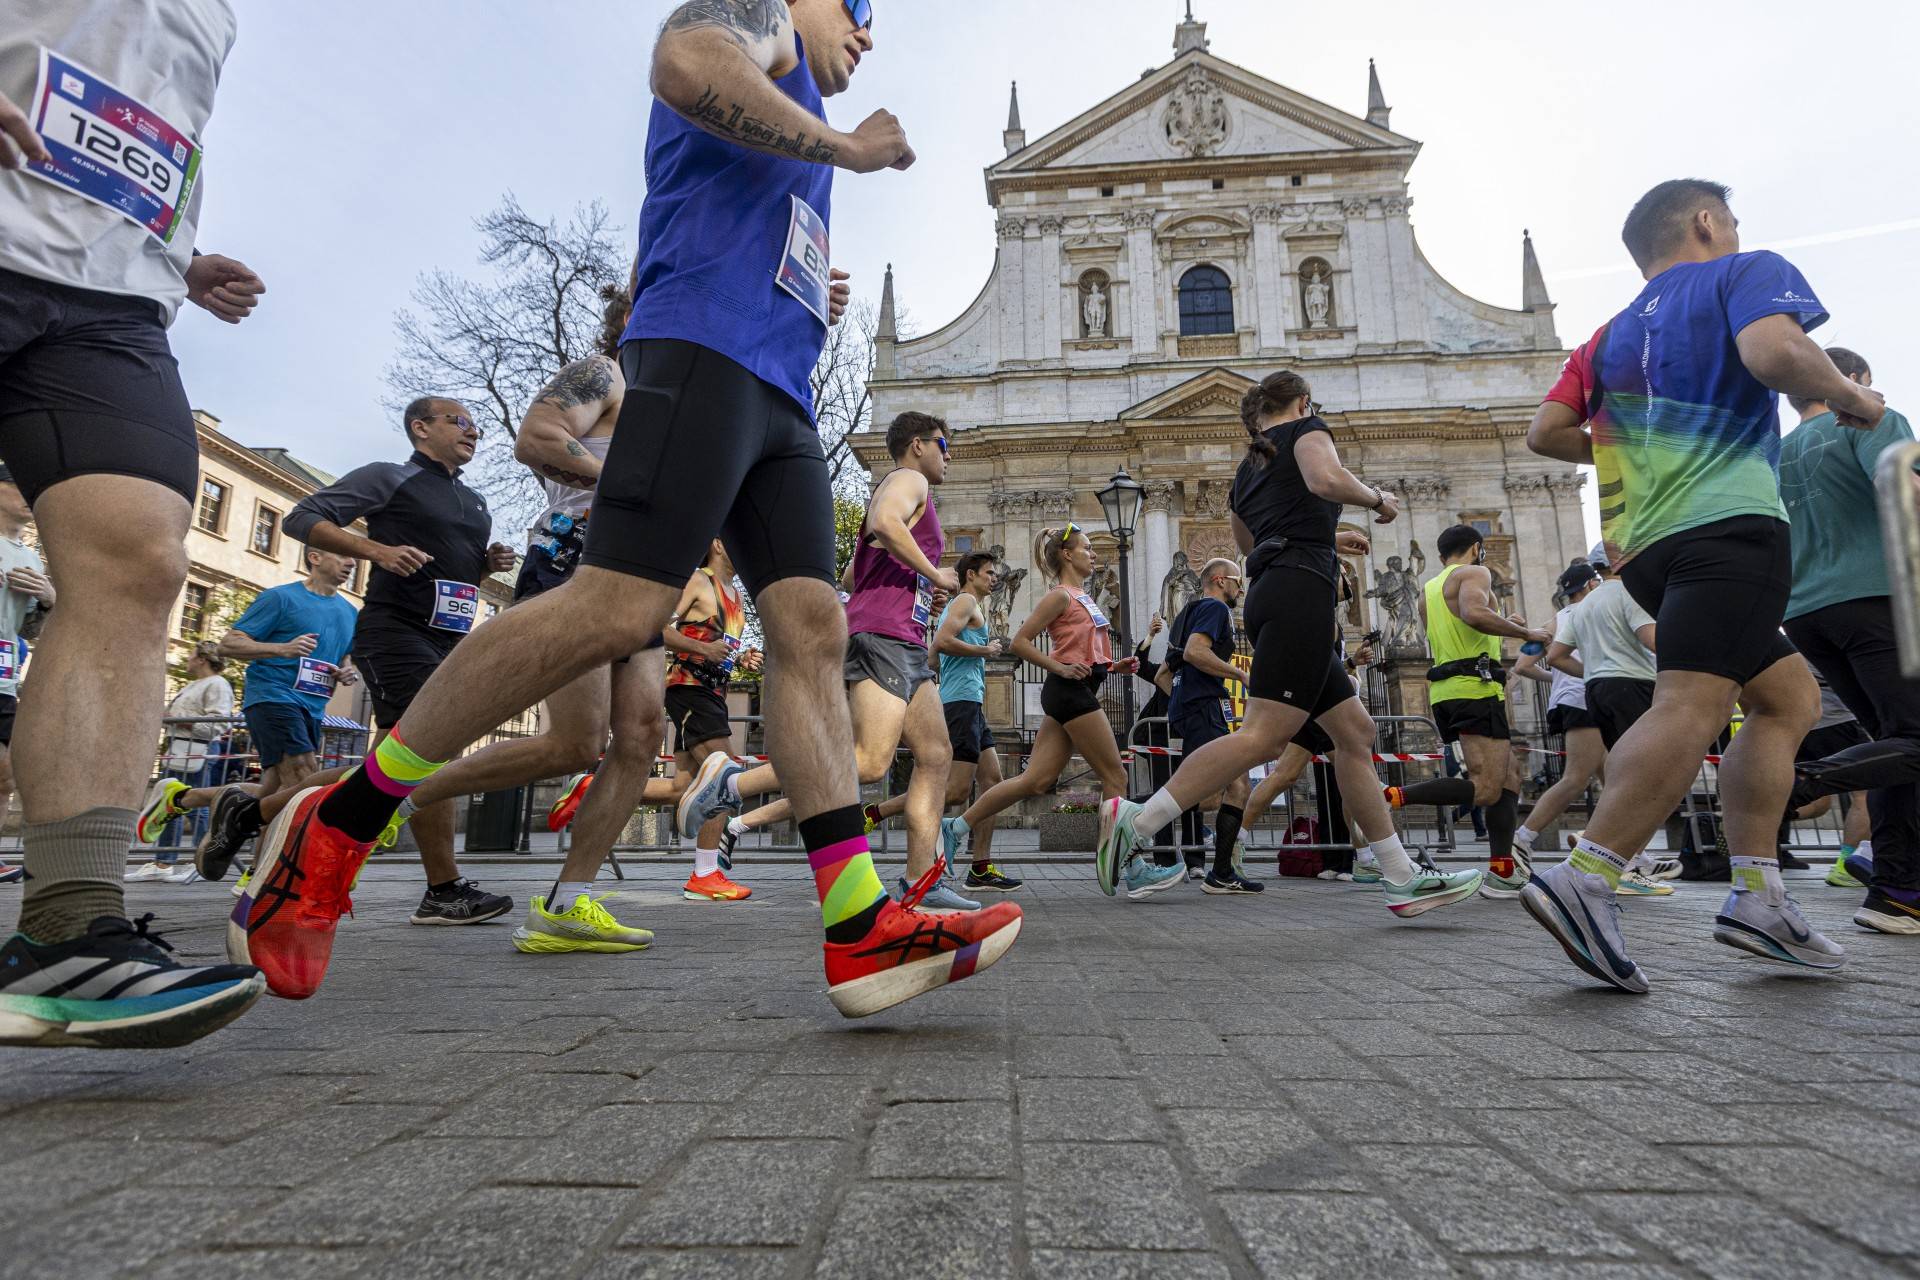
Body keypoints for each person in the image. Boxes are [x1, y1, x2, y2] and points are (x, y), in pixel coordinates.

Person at [225, 0, 1023, 1015]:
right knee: (616, 608)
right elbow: (686, 63)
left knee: (810, 628)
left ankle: (860, 922)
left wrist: (803, 286)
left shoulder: (799, 86)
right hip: (700, 356)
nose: (868, 32)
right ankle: (340, 821)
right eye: (858, 8)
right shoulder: (764, 18)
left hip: (775, 386)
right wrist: (844, 149)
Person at [1524, 178, 1888, 990]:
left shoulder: (1607, 335)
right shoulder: (1743, 270)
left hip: (1647, 550)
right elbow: (1773, 353)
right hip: (1729, 526)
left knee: (1786, 699)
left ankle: (1758, 897)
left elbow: (1545, 433)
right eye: (1730, 219)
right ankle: (1586, 877)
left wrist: (1634, 452)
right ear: (1704, 221)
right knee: (1689, 703)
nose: (1736, 229)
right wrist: (1850, 394)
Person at [0, 0, 274, 1047]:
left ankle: (67, 931)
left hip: (111, 293)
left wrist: (175, 249)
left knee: (141, 561)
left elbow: (122, 101)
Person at [1098, 371, 1485, 917]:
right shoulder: (1307, 429)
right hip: (1301, 592)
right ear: (1302, 401)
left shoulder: (1246, 469)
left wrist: (1325, 536)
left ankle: (1399, 876)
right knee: (1262, 737)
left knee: (1355, 732)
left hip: (1275, 588)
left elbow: (1250, 542)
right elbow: (1326, 480)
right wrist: (1376, 499)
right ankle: (1136, 824)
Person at [269, 400, 518, 935]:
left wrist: (482, 566)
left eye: (476, 425)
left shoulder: (474, 502)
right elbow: (300, 518)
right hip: (395, 632)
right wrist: (375, 550)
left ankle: (252, 813)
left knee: (390, 764)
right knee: (426, 753)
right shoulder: (390, 476)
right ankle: (443, 889)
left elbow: (451, 579)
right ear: (421, 427)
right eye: (459, 421)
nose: (473, 431)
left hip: (449, 640)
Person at [1776, 346, 1919, 933]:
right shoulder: (1871, 416)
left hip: (1808, 612)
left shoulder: (1776, 453)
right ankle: (1799, 781)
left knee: (1898, 745)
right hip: (1878, 596)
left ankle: (1899, 893)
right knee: (1913, 737)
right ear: (1852, 381)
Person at [940, 525, 1150, 892]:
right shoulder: (1059, 596)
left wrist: (1113, 666)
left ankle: (956, 828)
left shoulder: (1085, 597)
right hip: (1069, 691)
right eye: (1086, 548)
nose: (1093, 553)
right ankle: (1130, 866)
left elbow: (1080, 649)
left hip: (1077, 687)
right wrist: (1060, 668)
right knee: (1116, 776)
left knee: (1034, 780)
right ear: (1067, 555)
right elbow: (1019, 642)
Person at [139, 548, 360, 869]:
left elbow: (343, 656)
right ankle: (281, 869)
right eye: (342, 556)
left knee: (275, 789)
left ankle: (183, 799)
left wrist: (347, 670)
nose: (351, 562)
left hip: (312, 706)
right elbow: (229, 643)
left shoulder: (349, 612)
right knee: (306, 777)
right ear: (314, 557)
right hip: (272, 696)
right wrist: (281, 648)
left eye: (352, 559)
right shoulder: (281, 599)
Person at [860, 550, 1022, 893]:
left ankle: (980, 866)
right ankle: (876, 812)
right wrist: (984, 652)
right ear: (971, 576)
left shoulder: (968, 606)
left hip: (968, 702)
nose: (994, 578)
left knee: (992, 781)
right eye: (989, 573)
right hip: (961, 703)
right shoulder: (964, 602)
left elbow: (932, 657)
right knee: (954, 790)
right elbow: (941, 642)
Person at [1413, 524, 1552, 899]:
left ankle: (1502, 870)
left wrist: (1505, 623)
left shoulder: (1428, 591)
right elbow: (1474, 614)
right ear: (1477, 548)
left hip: (1449, 690)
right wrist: (1527, 634)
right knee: (1488, 787)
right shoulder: (1476, 572)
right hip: (1474, 687)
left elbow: (1460, 631)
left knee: (1510, 777)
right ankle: (1386, 796)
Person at [1541, 558, 1678, 890]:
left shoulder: (1584, 606)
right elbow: (1655, 641)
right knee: (1649, 775)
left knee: (1623, 772)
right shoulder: (1631, 594)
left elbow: (1555, 655)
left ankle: (1613, 854)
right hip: (1633, 687)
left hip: (1597, 690)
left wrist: (1591, 673)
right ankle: (1612, 853)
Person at [1511, 563, 1634, 887]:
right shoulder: (1595, 609)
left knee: (1614, 781)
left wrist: (1559, 678)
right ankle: (1521, 840)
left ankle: (1632, 858)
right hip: (1585, 701)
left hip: (1568, 700)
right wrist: (1587, 675)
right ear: (1592, 584)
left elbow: (1523, 666)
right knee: (1576, 778)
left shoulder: (1554, 621)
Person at [1166, 558, 1263, 894]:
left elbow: (1168, 670)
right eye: (1237, 581)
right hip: (1204, 706)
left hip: (1194, 705)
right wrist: (1240, 674)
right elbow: (1195, 653)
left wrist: (1181, 696)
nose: (1241, 589)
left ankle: (1221, 873)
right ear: (1220, 581)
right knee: (1201, 792)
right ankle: (1129, 815)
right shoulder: (1215, 609)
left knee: (1234, 787)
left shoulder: (1185, 613)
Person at [124, 642, 233, 882]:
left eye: (191, 655)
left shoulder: (217, 684)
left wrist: (178, 721)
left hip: (198, 751)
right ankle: (164, 862)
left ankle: (204, 860)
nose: (188, 658)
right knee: (170, 805)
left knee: (197, 808)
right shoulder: (194, 684)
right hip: (180, 749)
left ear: (202, 659)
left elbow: (219, 723)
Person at [0, 465, 53, 855]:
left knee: (5, 776)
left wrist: (50, 599)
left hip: (3, 676)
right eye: (19, 485)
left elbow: (34, 631)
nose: (29, 494)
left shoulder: (32, 558)